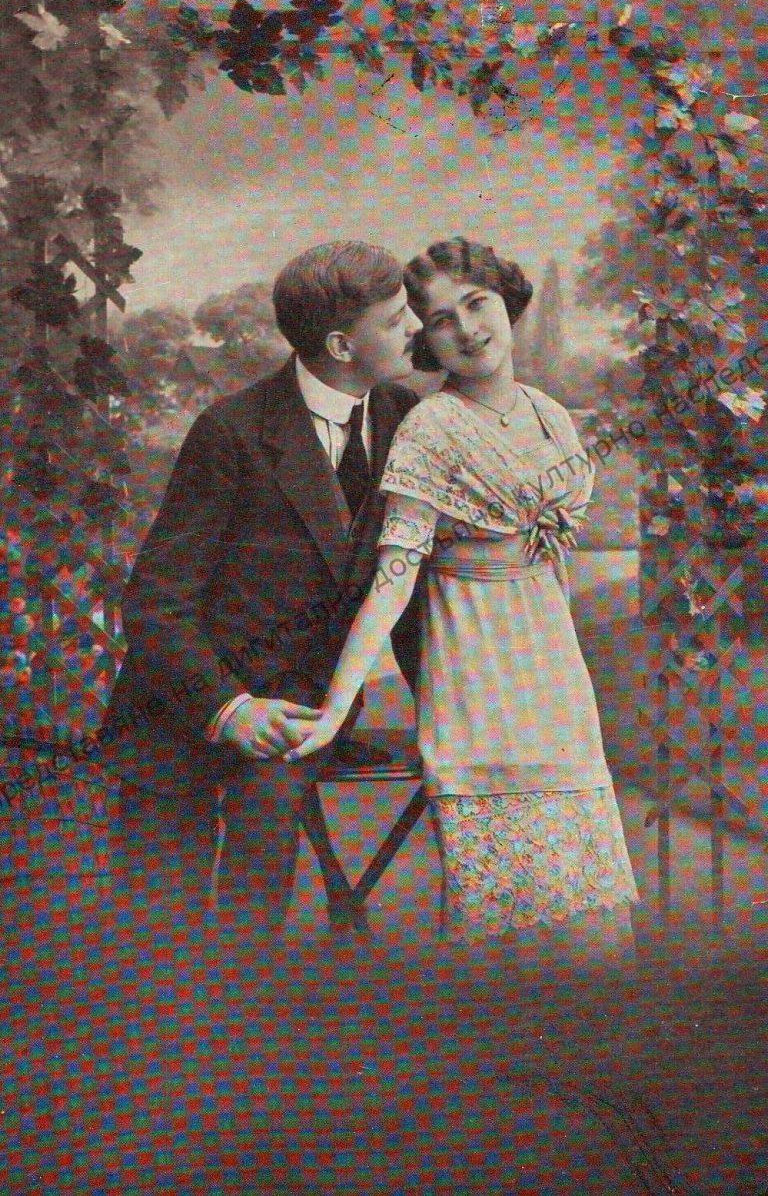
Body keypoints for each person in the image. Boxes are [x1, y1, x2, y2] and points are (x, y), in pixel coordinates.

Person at [288, 237, 639, 971]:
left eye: (477, 304)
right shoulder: (430, 429)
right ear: (425, 338)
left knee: (594, 924)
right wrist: (335, 706)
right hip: (477, 676)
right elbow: (393, 582)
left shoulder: (550, 415)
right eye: (441, 320)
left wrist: (568, 675)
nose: (468, 329)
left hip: (554, 681)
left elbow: (552, 567)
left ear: (505, 302)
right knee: (507, 925)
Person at [99, 241, 424, 952]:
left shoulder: (409, 418)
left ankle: (247, 990)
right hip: (184, 702)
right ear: (341, 345)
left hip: (299, 707)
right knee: (159, 927)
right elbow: (155, 603)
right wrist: (230, 708)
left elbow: (407, 588)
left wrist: (442, 705)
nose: (416, 327)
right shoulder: (232, 432)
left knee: (260, 855)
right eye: (396, 318)